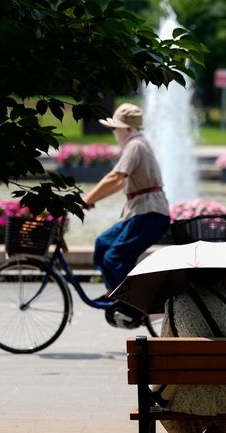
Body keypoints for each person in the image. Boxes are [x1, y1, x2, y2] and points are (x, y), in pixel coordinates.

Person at [82, 103, 171, 301]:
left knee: (114, 257)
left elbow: (115, 178)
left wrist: (87, 199)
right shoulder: (137, 144)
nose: (113, 132)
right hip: (141, 211)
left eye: (115, 128)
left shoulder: (135, 146)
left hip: (149, 213)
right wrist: (92, 200)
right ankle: (115, 294)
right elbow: (119, 183)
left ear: (128, 129)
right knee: (103, 244)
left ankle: (133, 303)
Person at [158, 268, 226, 433]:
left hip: (187, 400)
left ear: (189, 280)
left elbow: (164, 352)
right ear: (221, 278)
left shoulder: (174, 303)